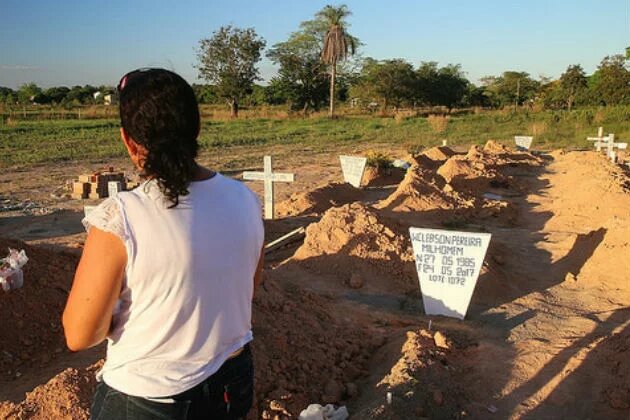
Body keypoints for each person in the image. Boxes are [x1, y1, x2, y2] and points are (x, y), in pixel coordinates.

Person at [62, 68, 265, 420]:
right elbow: (246, 289)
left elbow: (80, 335)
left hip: (149, 400)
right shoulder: (245, 199)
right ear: (196, 129)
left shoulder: (121, 217)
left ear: (128, 141)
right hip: (233, 383)